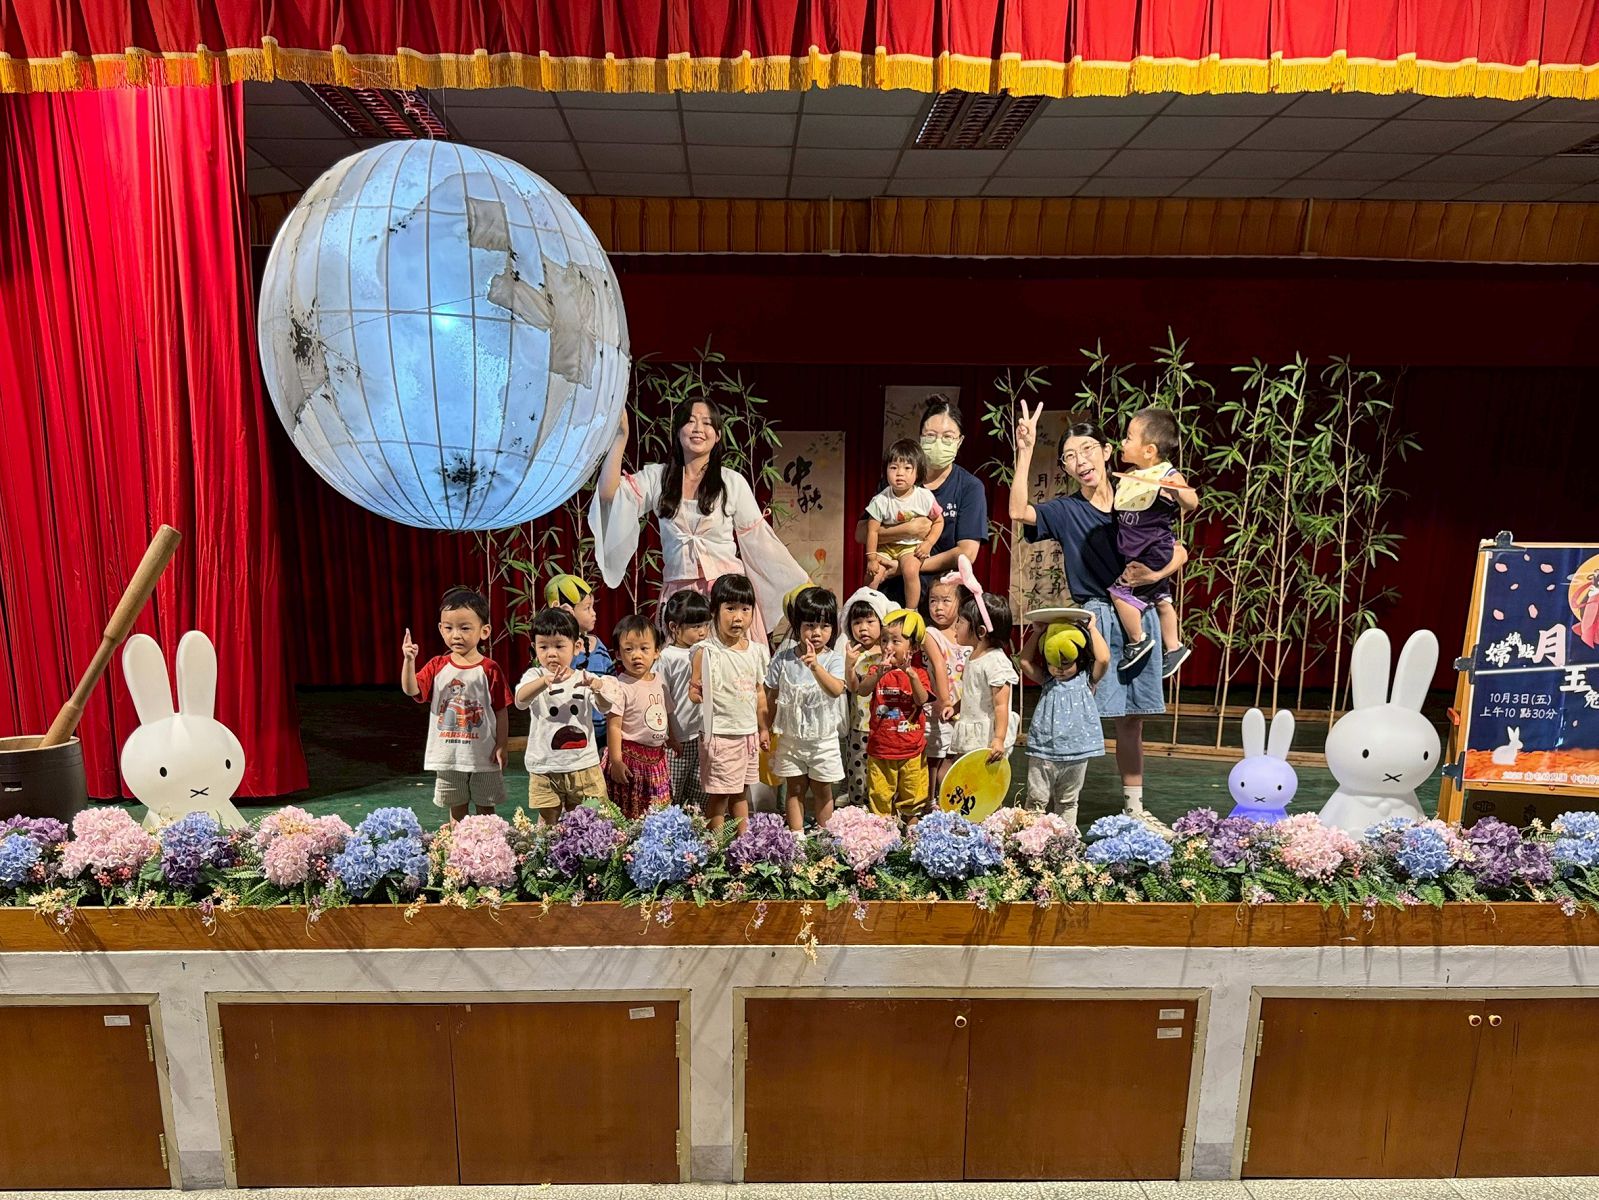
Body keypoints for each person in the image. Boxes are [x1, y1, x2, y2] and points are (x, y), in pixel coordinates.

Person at [1011, 403, 1187, 823]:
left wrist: (1154, 573)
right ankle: (1057, 813)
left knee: (1132, 722)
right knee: (1075, 712)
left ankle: (1134, 809)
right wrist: (1025, 450)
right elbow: (1019, 512)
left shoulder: (1138, 494)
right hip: (1095, 620)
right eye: (1069, 456)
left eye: (1087, 449)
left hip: (1140, 613)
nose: (1080, 460)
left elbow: (1179, 550)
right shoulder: (1066, 510)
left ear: (1108, 452)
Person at [591, 400, 810, 644]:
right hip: (680, 599)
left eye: (707, 423)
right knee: (681, 664)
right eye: (690, 421)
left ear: (718, 436)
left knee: (730, 664)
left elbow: (760, 542)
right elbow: (609, 495)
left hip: (725, 599)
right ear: (678, 431)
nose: (698, 428)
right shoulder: (658, 478)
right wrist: (621, 436)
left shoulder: (731, 482)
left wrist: (800, 582)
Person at [855, 395, 988, 610]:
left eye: (948, 437)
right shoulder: (895, 482)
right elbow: (862, 533)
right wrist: (908, 529)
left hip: (941, 604)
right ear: (920, 438)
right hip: (889, 597)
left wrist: (906, 565)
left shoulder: (969, 487)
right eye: (930, 435)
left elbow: (966, 553)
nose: (938, 443)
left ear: (960, 441)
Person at [400, 586, 511, 821]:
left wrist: (502, 744)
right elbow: (411, 689)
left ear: (484, 631)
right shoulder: (437, 665)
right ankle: (458, 843)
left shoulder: (489, 669)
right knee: (456, 808)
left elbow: (501, 710)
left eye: (465, 628)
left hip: (483, 756)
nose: (456, 635)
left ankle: (488, 843)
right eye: (449, 628)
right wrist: (409, 661)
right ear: (441, 629)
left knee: (486, 809)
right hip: (448, 756)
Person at [1111, 407, 1197, 676]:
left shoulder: (1167, 474)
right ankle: (1174, 647)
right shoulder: (1132, 475)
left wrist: (1177, 491)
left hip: (1154, 551)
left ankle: (1138, 640)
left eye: (1128, 438)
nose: (1122, 442)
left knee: (1120, 593)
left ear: (1149, 450)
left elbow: (1192, 501)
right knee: (1161, 599)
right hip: (1143, 551)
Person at [514, 608, 618, 824]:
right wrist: (543, 682)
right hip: (545, 767)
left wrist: (597, 687)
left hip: (583, 765)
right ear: (534, 648)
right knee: (548, 823)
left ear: (576, 647)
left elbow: (605, 707)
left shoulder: (584, 677)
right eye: (543, 647)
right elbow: (520, 700)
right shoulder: (535, 675)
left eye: (559, 646)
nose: (551, 653)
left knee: (589, 820)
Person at [689, 574, 771, 831]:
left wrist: (763, 728)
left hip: (747, 735)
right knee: (720, 794)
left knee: (741, 791)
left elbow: (759, 692)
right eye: (731, 608)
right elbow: (694, 689)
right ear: (715, 610)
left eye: (745, 609)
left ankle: (742, 843)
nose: (738, 617)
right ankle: (715, 844)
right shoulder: (707, 651)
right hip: (721, 735)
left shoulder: (756, 651)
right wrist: (697, 695)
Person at [763, 587, 848, 831]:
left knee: (823, 790)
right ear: (797, 625)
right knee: (795, 788)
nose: (817, 633)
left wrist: (816, 667)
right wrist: (764, 728)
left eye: (824, 626)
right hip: (791, 739)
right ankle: (796, 838)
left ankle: (825, 839)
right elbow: (771, 695)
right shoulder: (783, 659)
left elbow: (836, 689)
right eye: (810, 625)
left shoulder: (833, 659)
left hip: (823, 740)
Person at [1018, 618, 1109, 825]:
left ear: (1080, 659)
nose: (1058, 669)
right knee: (1036, 799)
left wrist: (1092, 629)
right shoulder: (1047, 679)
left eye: (1066, 663)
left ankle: (1065, 838)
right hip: (1044, 749)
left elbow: (1103, 659)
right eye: (1052, 663)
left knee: (1068, 801)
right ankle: (1031, 838)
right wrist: (1037, 633)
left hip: (1077, 751)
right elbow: (1024, 661)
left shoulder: (1087, 680)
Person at [855, 608, 933, 823]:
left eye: (896, 641)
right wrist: (878, 675)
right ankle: (884, 831)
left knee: (912, 795)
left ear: (913, 648)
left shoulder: (919, 673)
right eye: (884, 641)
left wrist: (911, 675)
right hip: (881, 749)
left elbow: (921, 699)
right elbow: (862, 690)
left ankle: (912, 829)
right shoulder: (876, 670)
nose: (888, 647)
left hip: (911, 749)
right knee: (880, 796)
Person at [947, 566, 1019, 765]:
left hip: (988, 737)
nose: (956, 626)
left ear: (980, 631)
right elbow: (973, 693)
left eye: (960, 622)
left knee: (985, 778)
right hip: (973, 733)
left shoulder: (996, 661)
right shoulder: (972, 656)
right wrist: (956, 708)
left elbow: (1001, 704)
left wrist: (999, 738)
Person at [604, 614, 673, 818]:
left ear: (657, 651)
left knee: (657, 812)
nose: (637, 655)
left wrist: (674, 738)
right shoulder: (620, 686)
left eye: (644, 648)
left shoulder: (660, 681)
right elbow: (614, 726)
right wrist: (616, 761)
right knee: (629, 812)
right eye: (629, 649)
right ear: (618, 654)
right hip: (630, 759)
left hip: (657, 758)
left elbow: (668, 713)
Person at [864, 439, 945, 611]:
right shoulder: (880, 500)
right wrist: (871, 558)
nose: (900, 473)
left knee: (910, 569)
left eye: (907, 468)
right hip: (885, 548)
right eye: (894, 468)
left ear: (918, 472)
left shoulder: (925, 497)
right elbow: (872, 531)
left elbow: (939, 521)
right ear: (885, 470)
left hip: (911, 547)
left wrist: (928, 543)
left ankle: (910, 611)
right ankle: (866, 609)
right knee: (873, 575)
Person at [840, 587, 893, 807]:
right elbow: (853, 687)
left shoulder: (888, 652)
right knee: (858, 770)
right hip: (859, 724)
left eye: (870, 622)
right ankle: (858, 810)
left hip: (885, 724)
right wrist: (849, 665)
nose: (863, 628)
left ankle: (882, 810)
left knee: (883, 773)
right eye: (857, 622)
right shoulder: (854, 653)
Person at [659, 590, 712, 806]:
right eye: (696, 626)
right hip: (677, 738)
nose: (703, 632)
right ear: (674, 627)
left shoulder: (708, 651)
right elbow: (661, 698)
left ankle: (695, 823)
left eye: (706, 625)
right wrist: (670, 735)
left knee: (700, 790)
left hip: (702, 734)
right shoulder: (667, 657)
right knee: (672, 790)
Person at [546, 574, 613, 744]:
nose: (594, 613)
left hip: (601, 736)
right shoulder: (558, 651)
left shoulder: (599, 647)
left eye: (592, 607)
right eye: (587, 608)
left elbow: (612, 685)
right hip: (569, 734)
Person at [924, 572, 972, 801]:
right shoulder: (930, 634)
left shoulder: (969, 634)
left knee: (955, 757)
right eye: (933, 601)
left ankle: (950, 803)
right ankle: (930, 802)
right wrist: (945, 701)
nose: (938, 607)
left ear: (960, 603)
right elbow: (939, 666)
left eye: (945, 600)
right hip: (941, 709)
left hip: (964, 708)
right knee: (935, 757)